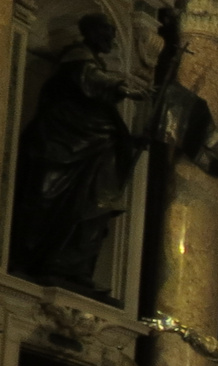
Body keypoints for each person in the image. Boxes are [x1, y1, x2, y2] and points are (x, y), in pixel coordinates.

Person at [9, 14, 142, 294]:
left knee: (94, 208)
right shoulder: (77, 57)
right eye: (106, 32)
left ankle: (75, 269)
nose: (111, 38)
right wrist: (121, 87)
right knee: (48, 201)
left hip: (95, 148)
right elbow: (89, 78)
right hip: (63, 145)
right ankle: (44, 261)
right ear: (90, 32)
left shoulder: (95, 76)